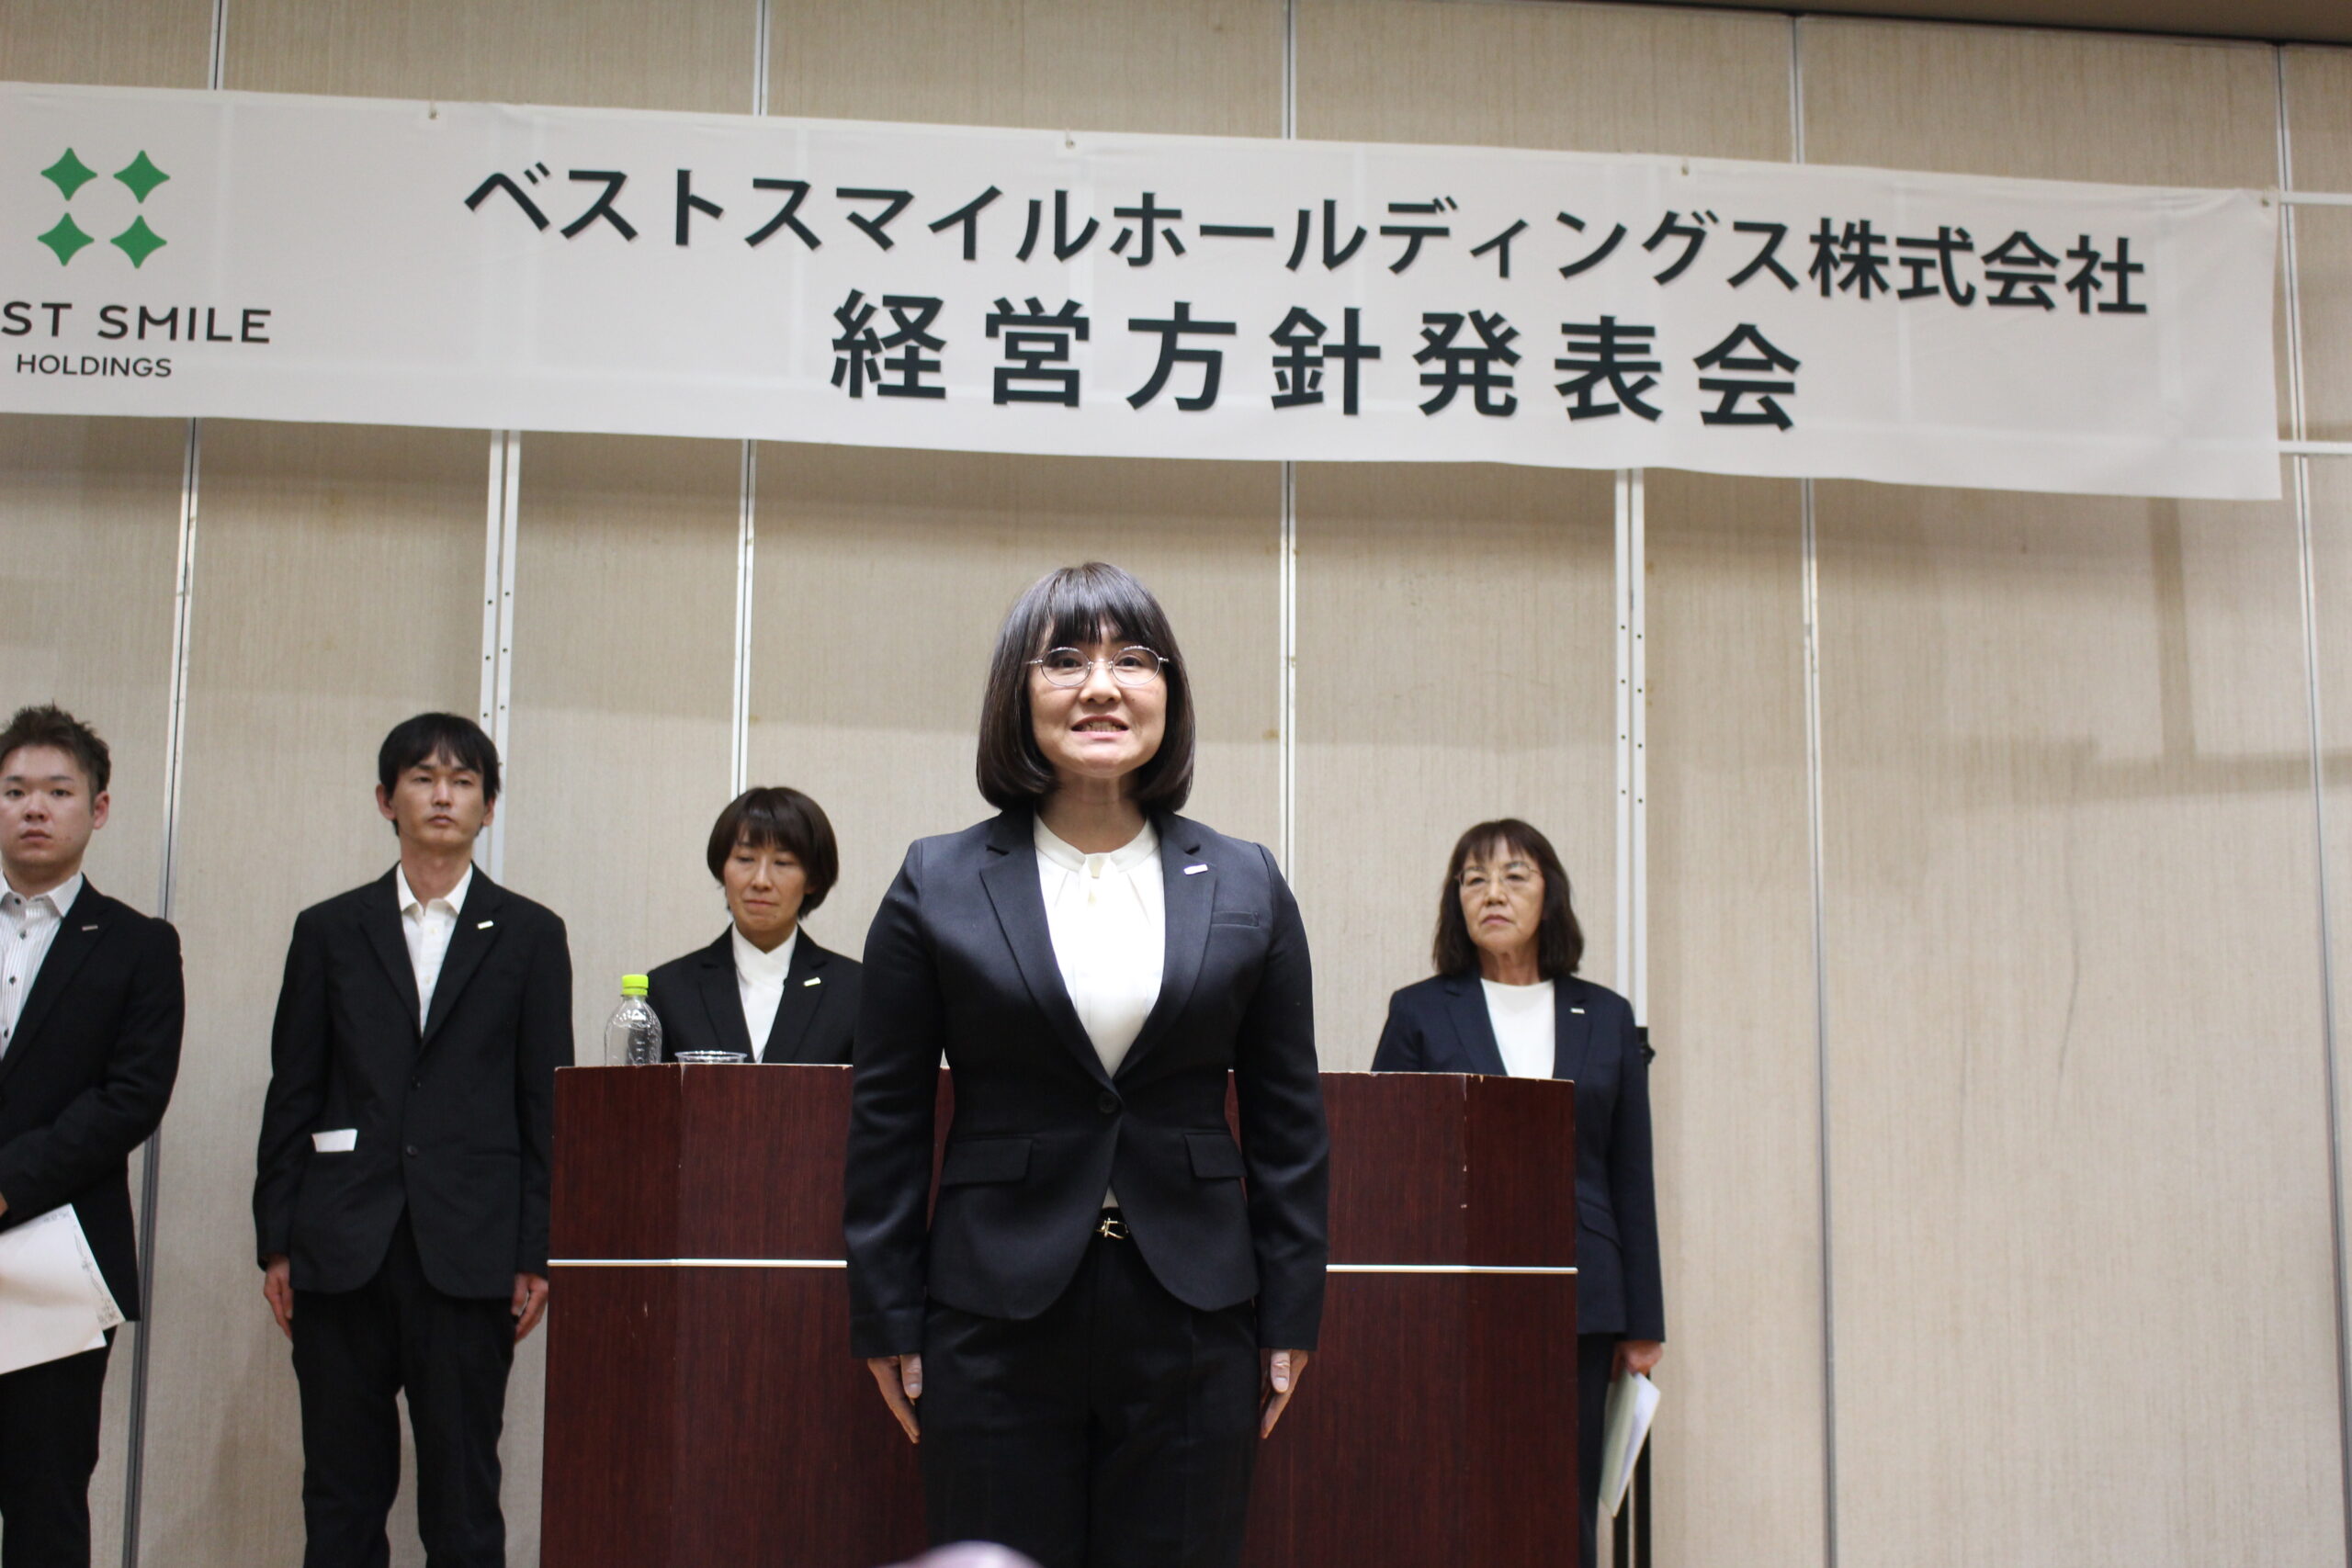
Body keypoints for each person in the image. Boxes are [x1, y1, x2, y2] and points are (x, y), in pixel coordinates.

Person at [845, 562, 1329, 1568]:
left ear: (1168, 692)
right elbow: (887, 1119)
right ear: (1017, 696)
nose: (1100, 686)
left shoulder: (1247, 880)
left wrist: (1291, 1310)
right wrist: (885, 1314)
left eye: (1132, 660)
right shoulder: (937, 880)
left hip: (1195, 1312)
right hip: (991, 1311)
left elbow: (1288, 1121)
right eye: (1064, 659)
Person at [253, 713, 572, 1568]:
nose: (441, 795)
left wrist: (535, 1249)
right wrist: (277, 1240)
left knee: (463, 1504)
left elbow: (544, 1104)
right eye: (423, 777)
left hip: (470, 1250)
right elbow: (293, 1090)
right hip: (340, 1244)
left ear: (488, 807)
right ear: (385, 798)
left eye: (463, 781)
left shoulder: (531, 934)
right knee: (341, 1500)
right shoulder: (328, 929)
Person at [1370, 818, 1662, 1568]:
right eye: (1474, 879)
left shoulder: (1605, 1015)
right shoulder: (1420, 1011)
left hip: (1583, 1295)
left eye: (1514, 876)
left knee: (1562, 1497)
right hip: (1455, 1291)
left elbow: (1631, 1173)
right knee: (1457, 1490)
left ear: (1549, 895)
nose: (1493, 893)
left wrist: (1643, 1322)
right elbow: (1388, 1160)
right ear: (1456, 902)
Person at [0, 705, 183, 1568]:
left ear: (98, 808)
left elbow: (131, 1097)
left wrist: (8, 1181)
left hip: (60, 1258)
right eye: (14, 791)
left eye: (57, 791)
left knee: (46, 1500)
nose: (34, 807)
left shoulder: (139, 945)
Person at [645, 786, 859, 1064]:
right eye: (745, 859)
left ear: (813, 879)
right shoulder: (668, 989)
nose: (761, 881)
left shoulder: (855, 990)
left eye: (783, 862)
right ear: (722, 868)